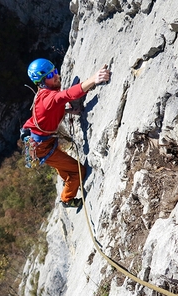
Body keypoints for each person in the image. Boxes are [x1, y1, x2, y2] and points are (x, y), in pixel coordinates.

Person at [21, 58, 111, 208]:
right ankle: (67, 199)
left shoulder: (44, 93)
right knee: (78, 171)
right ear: (41, 82)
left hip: (41, 141)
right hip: (42, 146)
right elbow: (66, 95)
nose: (56, 76)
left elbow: (54, 107)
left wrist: (69, 110)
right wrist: (94, 79)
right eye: (50, 76)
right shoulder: (48, 98)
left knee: (64, 166)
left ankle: (69, 180)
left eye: (55, 72)